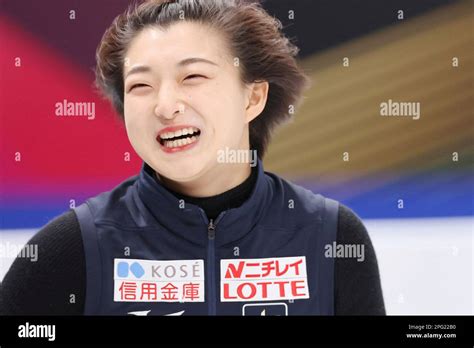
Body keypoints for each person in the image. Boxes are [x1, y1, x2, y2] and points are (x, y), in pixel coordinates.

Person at [0, 0, 385, 316]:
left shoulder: (330, 236)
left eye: (193, 77)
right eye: (141, 85)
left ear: (253, 97)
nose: (166, 106)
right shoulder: (72, 248)